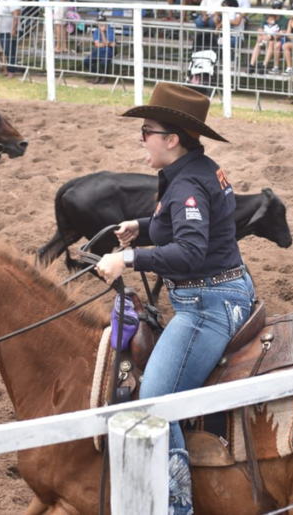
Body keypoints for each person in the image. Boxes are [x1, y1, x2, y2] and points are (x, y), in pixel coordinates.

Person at [95, 83, 255, 515]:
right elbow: (191, 226)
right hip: (223, 290)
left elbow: (189, 251)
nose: (141, 138)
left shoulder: (187, 185)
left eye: (146, 130)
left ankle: (176, 506)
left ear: (172, 139)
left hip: (208, 305)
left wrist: (126, 257)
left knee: (154, 407)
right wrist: (143, 225)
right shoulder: (195, 172)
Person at [0, 0, 23, 76]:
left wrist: (13, 30)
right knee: (5, 51)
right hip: (2, 29)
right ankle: (7, 70)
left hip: (10, 30)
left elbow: (16, 16)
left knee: (10, 50)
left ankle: (11, 71)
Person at [249, 9, 281, 74]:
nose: (272, 20)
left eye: (273, 19)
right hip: (265, 39)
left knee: (271, 43)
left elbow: (278, 34)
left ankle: (264, 66)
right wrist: (262, 36)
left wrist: (270, 37)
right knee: (258, 42)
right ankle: (251, 65)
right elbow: (261, 31)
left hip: (272, 40)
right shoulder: (265, 26)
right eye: (270, 19)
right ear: (267, 20)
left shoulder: (276, 26)